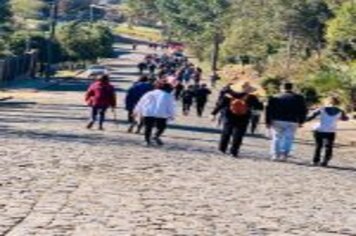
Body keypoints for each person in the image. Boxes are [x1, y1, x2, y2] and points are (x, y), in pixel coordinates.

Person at [212, 82, 260, 157]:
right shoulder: (251, 97)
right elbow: (258, 107)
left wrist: (213, 113)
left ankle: (222, 148)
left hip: (229, 116)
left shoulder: (229, 95)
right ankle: (234, 152)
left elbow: (221, 104)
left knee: (226, 132)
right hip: (243, 117)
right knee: (238, 135)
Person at [266, 82, 308, 161]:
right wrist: (301, 121)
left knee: (277, 137)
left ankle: (275, 154)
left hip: (277, 119)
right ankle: (284, 154)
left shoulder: (275, 97)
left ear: (282, 88)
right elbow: (304, 110)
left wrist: (268, 121)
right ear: (292, 88)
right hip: (293, 120)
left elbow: (269, 110)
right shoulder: (299, 98)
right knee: (289, 138)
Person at [306, 96, 348, 167]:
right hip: (331, 130)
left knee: (318, 146)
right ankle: (325, 161)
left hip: (320, 129)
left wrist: (302, 121)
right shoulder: (340, 111)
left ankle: (315, 161)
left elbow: (311, 117)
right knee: (329, 146)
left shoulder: (322, 109)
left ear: (328, 101)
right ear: (338, 102)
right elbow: (345, 118)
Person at [134, 82, 176, 146]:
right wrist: (171, 114)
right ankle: (156, 135)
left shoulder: (149, 93)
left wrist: (136, 111)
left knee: (148, 127)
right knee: (161, 127)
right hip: (161, 113)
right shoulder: (168, 95)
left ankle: (147, 140)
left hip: (148, 112)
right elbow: (171, 106)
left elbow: (141, 102)